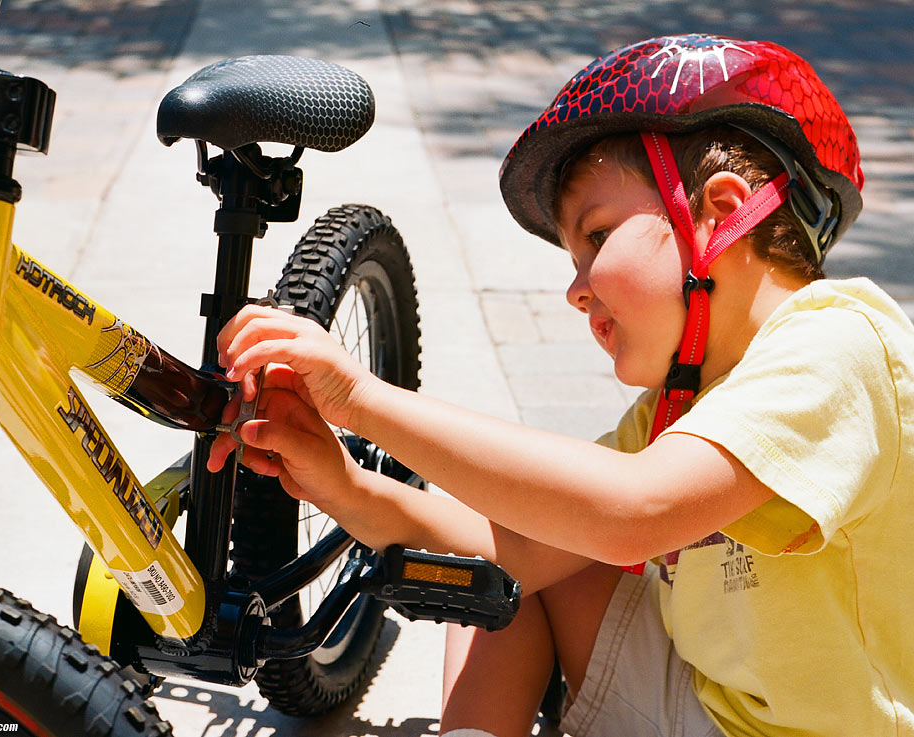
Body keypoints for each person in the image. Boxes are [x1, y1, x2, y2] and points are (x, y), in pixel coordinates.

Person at [207, 35, 914, 737]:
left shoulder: (836, 344)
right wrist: (343, 485)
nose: (575, 291)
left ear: (719, 211)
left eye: (598, 238)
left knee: (574, 521)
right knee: (519, 566)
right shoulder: (678, 408)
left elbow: (634, 509)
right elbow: (513, 544)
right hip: (706, 703)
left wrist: (361, 398)